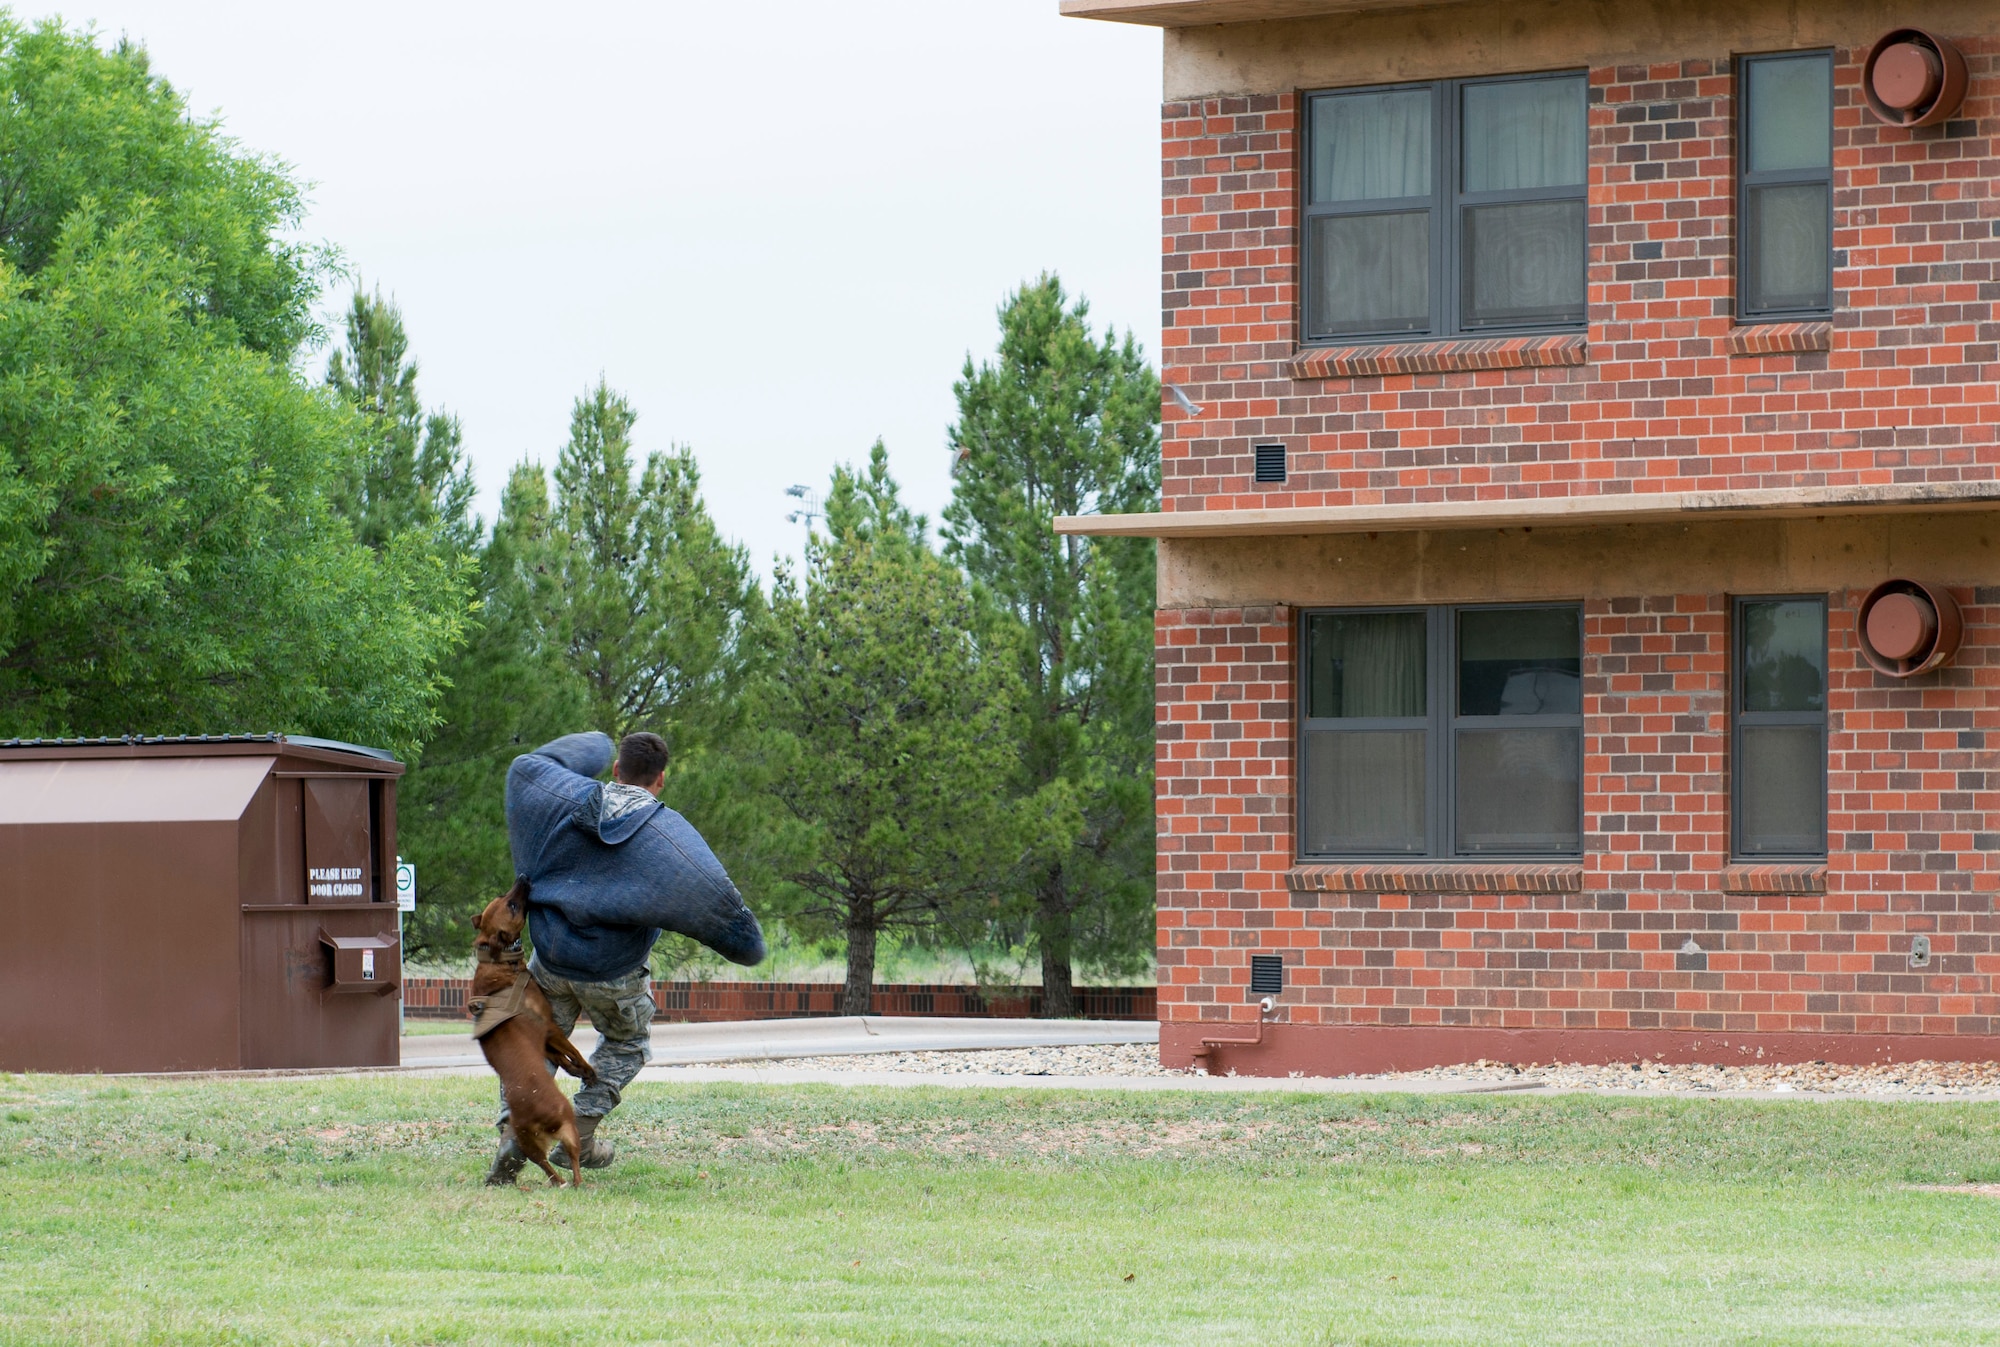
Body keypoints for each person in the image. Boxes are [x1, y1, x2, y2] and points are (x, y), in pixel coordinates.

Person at [487, 730, 765, 1184]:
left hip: (551, 961)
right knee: (627, 1044)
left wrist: (595, 743)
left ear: (616, 770)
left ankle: (513, 1134)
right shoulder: (667, 836)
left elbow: (529, 767)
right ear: (660, 781)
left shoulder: (563, 799)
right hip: (614, 973)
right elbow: (737, 928)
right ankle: (577, 1125)